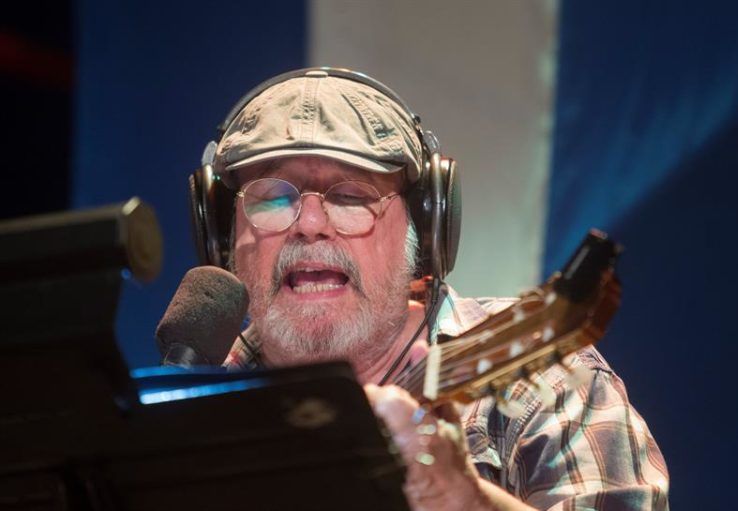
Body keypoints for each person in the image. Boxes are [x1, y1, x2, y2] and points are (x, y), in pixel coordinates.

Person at [200, 68, 669, 510]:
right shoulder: (197, 406)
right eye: (273, 198)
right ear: (224, 239)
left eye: (350, 196)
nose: (310, 225)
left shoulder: (547, 386)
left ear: (423, 235)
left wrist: (465, 500)